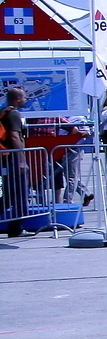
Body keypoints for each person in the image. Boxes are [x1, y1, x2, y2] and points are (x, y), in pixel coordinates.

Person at [2, 87, 29, 237]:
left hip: (4, 159)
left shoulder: (3, 112)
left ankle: (14, 227)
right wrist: (21, 160)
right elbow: (14, 136)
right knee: (19, 194)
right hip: (11, 160)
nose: (25, 100)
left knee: (6, 195)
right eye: (24, 97)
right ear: (17, 98)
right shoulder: (13, 114)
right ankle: (16, 228)